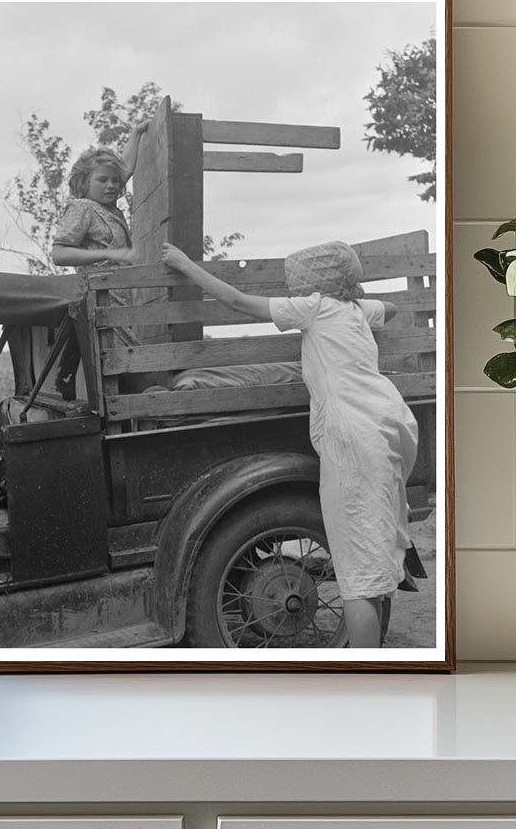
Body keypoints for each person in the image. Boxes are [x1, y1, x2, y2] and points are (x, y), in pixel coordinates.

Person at [160, 239, 420, 649]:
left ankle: (370, 677)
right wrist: (358, 297)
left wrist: (184, 263)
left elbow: (238, 301)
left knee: (356, 573)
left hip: (352, 435)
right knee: (375, 544)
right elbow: (393, 308)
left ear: (312, 284)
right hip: (390, 421)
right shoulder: (356, 310)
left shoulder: (314, 308)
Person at [49, 121, 151, 399]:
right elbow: (59, 253)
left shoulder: (106, 206)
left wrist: (137, 133)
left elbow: (125, 168)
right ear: (84, 183)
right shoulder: (83, 208)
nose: (112, 185)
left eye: (115, 181)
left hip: (120, 302)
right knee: (124, 371)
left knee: (127, 367)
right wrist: (107, 253)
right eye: (102, 180)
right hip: (98, 302)